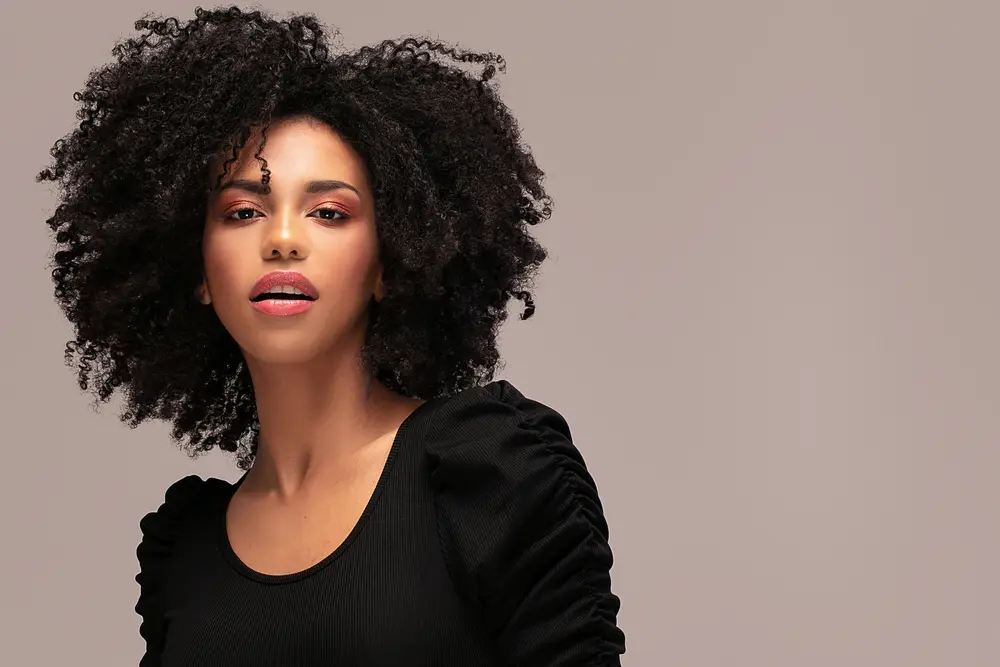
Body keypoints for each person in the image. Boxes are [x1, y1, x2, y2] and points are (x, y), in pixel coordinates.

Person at [36, 5, 626, 665]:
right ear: (195, 269)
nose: (283, 239)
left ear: (387, 263)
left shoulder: (489, 472)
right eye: (243, 211)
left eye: (328, 212)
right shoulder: (187, 552)